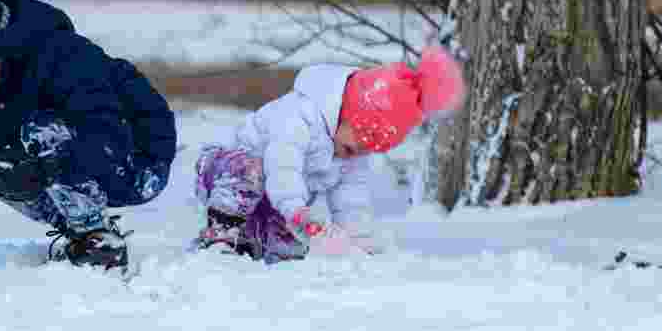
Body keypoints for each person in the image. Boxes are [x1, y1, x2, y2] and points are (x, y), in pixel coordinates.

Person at [0, 0, 177, 277]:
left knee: (37, 131)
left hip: (136, 163)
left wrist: (43, 171)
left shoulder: (67, 60)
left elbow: (107, 136)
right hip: (72, 163)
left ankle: (96, 240)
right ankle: (75, 226)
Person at [192, 46, 465, 263]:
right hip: (225, 174)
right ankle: (220, 235)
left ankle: (253, 241)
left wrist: (359, 243)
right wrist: (297, 210)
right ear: (346, 112)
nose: (355, 154)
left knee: (292, 249)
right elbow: (282, 165)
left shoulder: (349, 151)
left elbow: (352, 201)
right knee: (249, 171)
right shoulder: (298, 117)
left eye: (368, 149)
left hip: (278, 204)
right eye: (354, 145)